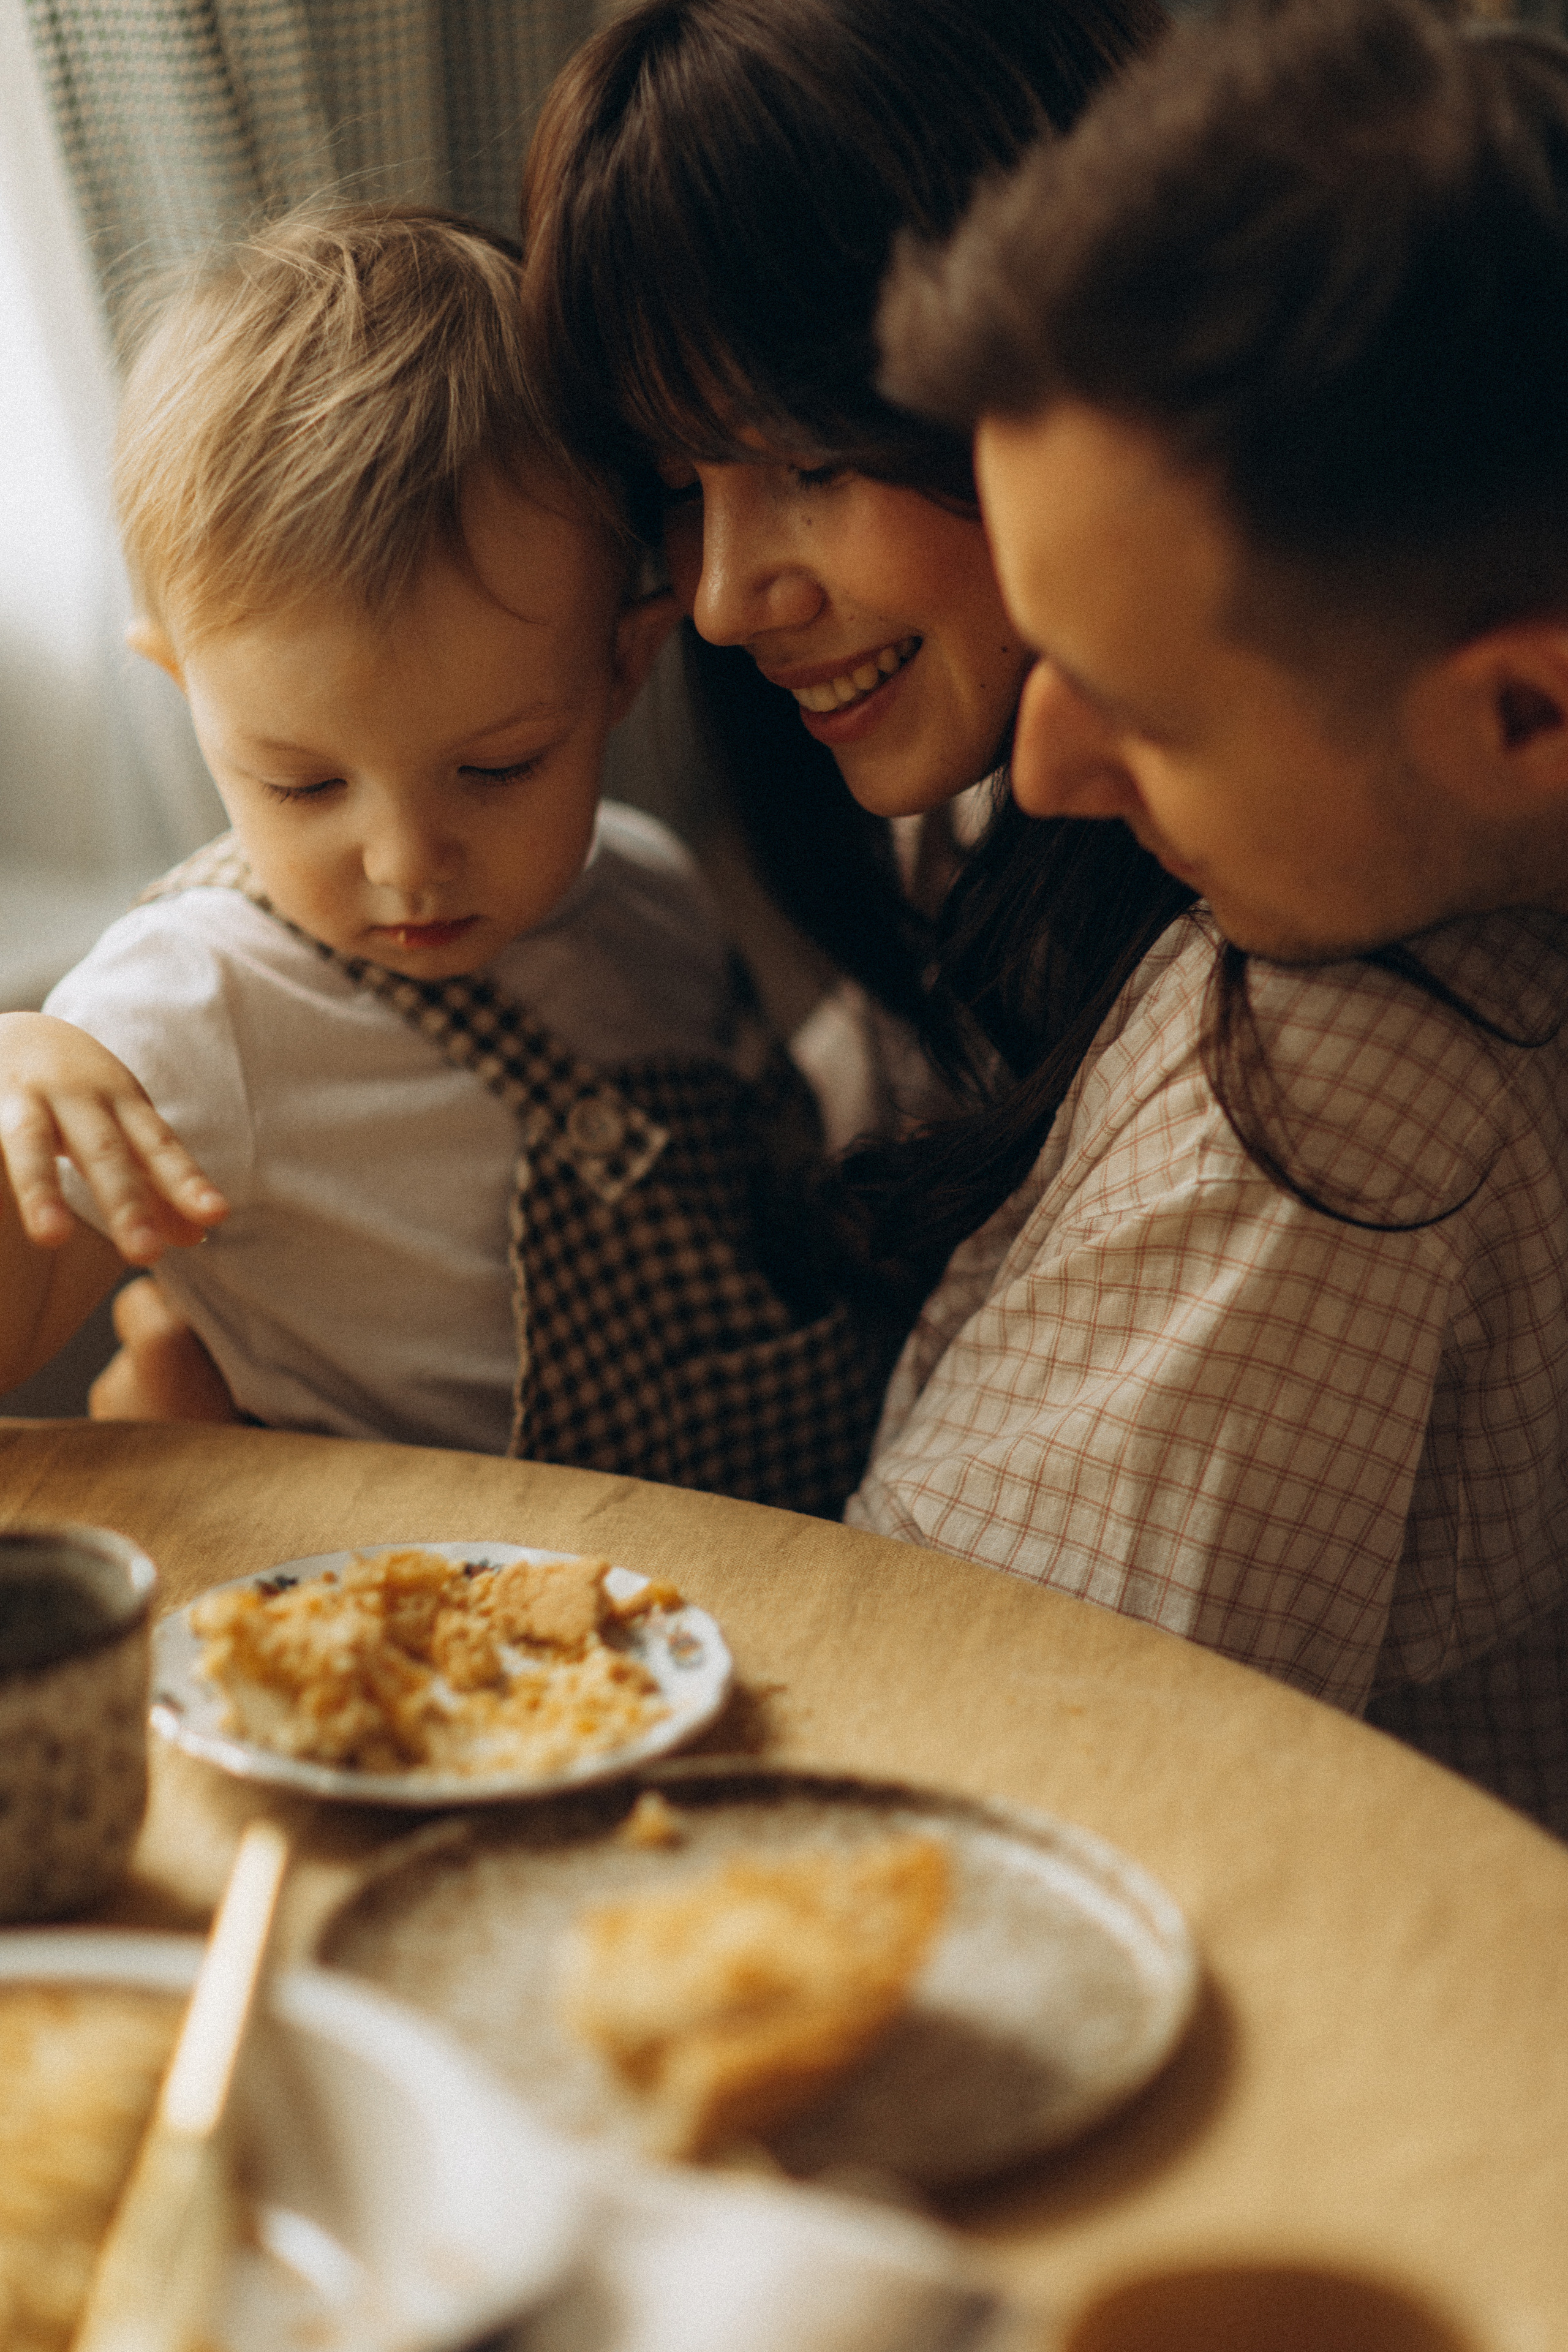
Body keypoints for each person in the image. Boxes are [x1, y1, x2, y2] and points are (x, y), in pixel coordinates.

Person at [865, 0, 1568, 1829]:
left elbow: (967, 1779)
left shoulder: (1329, 1097)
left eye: (1142, 708)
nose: (1038, 775)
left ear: (1530, 713)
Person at [0, 203, 890, 1516]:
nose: (407, 864)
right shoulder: (189, 1012)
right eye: (300, 782)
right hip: (438, 1663)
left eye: (499, 768)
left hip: (791, 1566)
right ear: (183, 690)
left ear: (622, 667)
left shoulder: (648, 893)